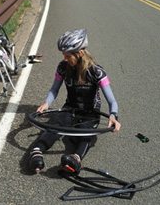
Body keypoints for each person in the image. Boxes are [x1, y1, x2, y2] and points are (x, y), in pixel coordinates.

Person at [29, 29, 121, 173]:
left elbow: (112, 100)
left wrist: (113, 116)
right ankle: (36, 152)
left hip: (90, 111)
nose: (64, 59)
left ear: (80, 53)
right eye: (63, 56)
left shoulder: (96, 72)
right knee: (55, 127)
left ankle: (75, 158)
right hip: (70, 107)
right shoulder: (63, 67)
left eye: (68, 56)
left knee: (85, 133)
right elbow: (54, 89)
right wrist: (47, 103)